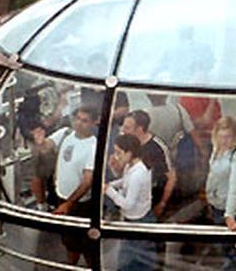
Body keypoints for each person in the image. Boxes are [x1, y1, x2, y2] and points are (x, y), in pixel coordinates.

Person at [49, 105, 99, 265]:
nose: (79, 123)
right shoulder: (67, 135)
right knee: (69, 241)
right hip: (61, 197)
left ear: (94, 123)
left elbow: (87, 181)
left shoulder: (93, 146)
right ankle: (71, 266)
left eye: (84, 121)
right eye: (77, 118)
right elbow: (48, 148)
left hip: (79, 205)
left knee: (85, 244)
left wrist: (69, 204)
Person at [104, 134, 157, 271]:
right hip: (136, 218)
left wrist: (109, 190)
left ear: (129, 152)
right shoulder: (131, 166)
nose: (116, 156)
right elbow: (124, 181)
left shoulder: (137, 174)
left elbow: (128, 204)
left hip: (138, 221)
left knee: (131, 259)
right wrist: (111, 184)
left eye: (119, 153)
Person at [205, 117, 236, 270]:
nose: (224, 141)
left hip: (231, 209)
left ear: (235, 136)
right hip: (216, 205)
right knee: (225, 250)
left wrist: (230, 214)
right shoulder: (217, 150)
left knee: (233, 255)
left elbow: (235, 185)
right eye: (221, 136)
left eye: (228, 136)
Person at [121, 110, 177, 219]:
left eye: (127, 128)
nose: (122, 130)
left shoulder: (157, 149)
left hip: (149, 202)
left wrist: (162, 204)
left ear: (139, 129)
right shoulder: (126, 142)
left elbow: (172, 177)